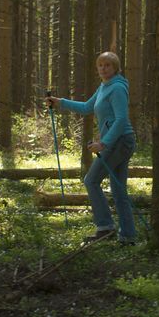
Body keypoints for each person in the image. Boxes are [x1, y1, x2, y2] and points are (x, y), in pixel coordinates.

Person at [46, 51, 137, 246]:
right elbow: (88, 107)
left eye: (108, 65)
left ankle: (105, 227)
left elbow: (121, 120)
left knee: (91, 180)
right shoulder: (104, 87)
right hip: (117, 142)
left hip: (120, 141)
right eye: (100, 65)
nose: (103, 69)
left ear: (115, 68)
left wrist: (103, 143)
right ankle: (128, 235)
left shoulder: (118, 88)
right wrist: (61, 103)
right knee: (118, 189)